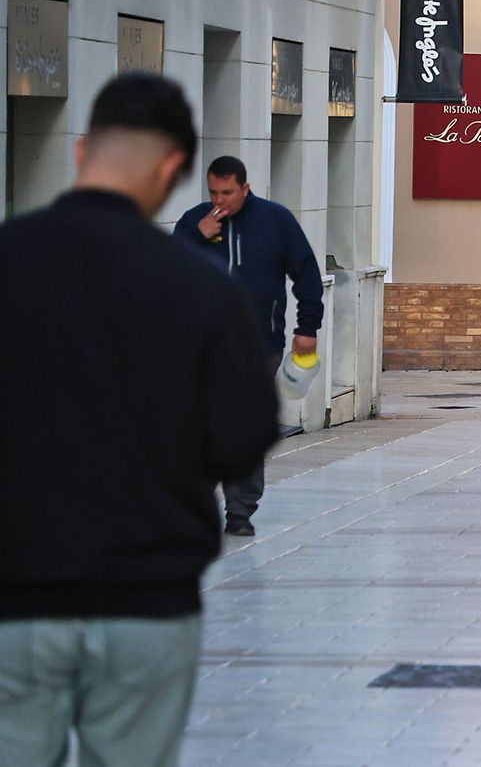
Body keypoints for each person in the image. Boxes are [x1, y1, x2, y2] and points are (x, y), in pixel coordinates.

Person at [0, 74, 279, 767]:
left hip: (14, 594)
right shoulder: (203, 290)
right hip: (145, 600)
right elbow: (244, 435)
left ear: (81, 149)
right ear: (170, 168)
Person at [175, 154, 323, 537]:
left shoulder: (275, 221)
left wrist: (308, 327)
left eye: (228, 192)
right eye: (213, 192)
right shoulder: (195, 222)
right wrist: (197, 235)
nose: (220, 199)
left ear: (245, 188)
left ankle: (240, 510)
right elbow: (167, 272)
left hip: (259, 342)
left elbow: (306, 272)